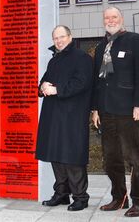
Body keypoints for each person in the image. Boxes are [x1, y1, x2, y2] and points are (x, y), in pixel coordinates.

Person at [91, 7, 139, 217]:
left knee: (134, 157)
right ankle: (119, 198)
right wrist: (95, 109)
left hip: (128, 110)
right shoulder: (101, 47)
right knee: (110, 158)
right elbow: (98, 81)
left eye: (114, 16)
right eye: (107, 17)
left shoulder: (136, 41)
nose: (110, 20)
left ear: (121, 19)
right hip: (106, 111)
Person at [36, 25, 93, 211]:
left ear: (70, 37)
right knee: (55, 154)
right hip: (53, 114)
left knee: (72, 156)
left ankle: (80, 197)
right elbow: (44, 81)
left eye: (62, 37)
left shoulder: (82, 58)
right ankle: (61, 194)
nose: (59, 41)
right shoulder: (54, 60)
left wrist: (57, 89)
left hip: (72, 115)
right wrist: (42, 86)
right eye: (55, 38)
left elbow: (82, 83)